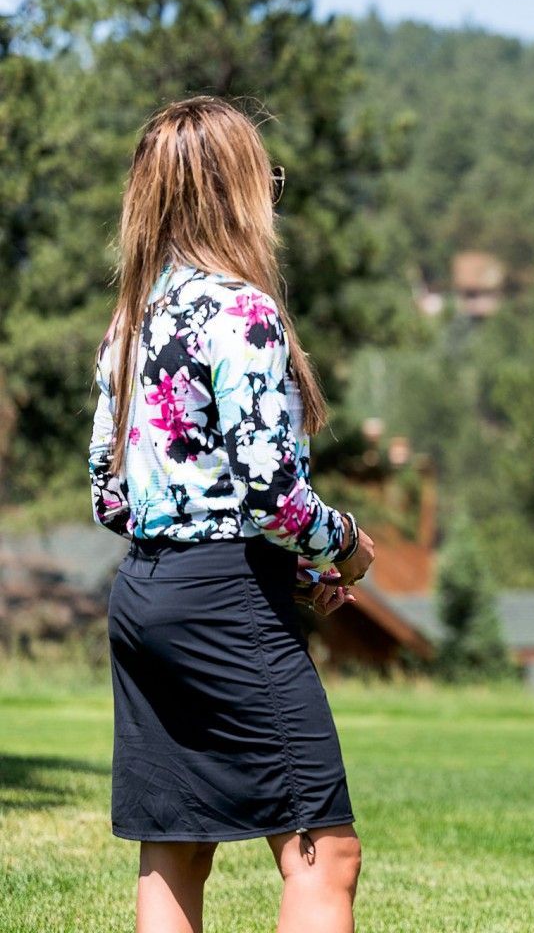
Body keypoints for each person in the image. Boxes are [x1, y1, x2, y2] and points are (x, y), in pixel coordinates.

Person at [88, 97, 376, 932]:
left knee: (176, 847)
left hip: (144, 598)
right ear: (237, 192)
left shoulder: (130, 321)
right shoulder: (242, 312)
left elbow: (110, 494)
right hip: (226, 601)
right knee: (323, 853)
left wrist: (284, 561)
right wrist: (344, 546)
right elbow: (275, 499)